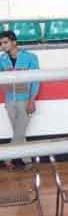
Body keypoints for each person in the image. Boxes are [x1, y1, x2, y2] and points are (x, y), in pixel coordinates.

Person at [0, 30, 39, 167]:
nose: (2, 46)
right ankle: (27, 160)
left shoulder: (30, 57)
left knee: (19, 132)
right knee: (19, 133)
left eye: (5, 42)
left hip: (25, 100)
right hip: (10, 101)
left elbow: (36, 80)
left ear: (14, 42)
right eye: (1, 43)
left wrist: (31, 100)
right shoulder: (2, 59)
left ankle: (6, 158)